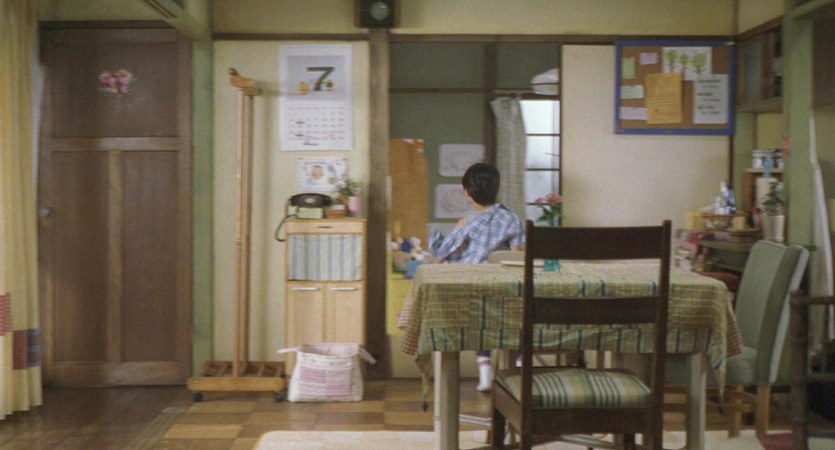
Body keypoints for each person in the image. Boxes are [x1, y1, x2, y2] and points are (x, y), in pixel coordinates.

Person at [428, 162, 525, 391]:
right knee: (516, 313)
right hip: (504, 290)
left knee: (480, 319)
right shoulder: (510, 219)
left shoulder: (465, 223)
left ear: (467, 193)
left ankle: (484, 367)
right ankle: (518, 362)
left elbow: (441, 256)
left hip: (472, 292)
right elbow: (518, 257)